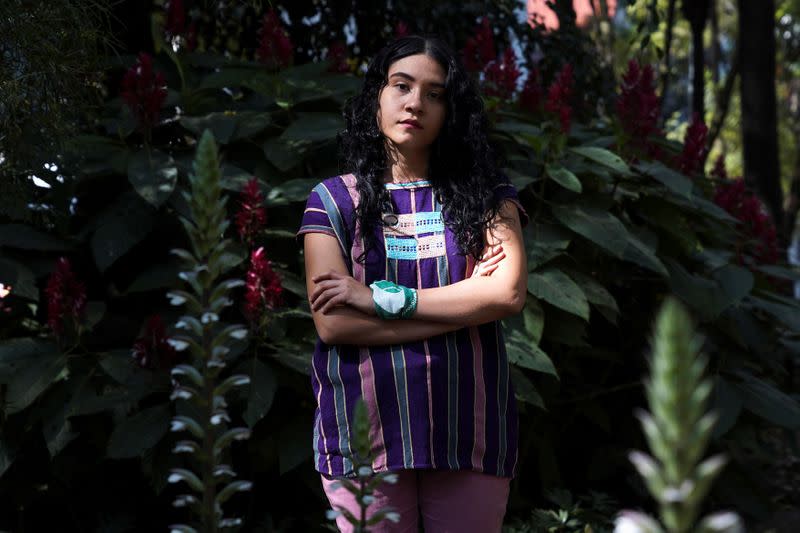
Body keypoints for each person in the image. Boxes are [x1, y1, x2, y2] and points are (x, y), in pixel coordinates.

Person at [295, 34, 530, 532]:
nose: (415, 103)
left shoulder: (486, 195)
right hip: (364, 435)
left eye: (435, 93)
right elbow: (334, 325)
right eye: (401, 85)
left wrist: (377, 297)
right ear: (376, 97)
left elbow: (505, 294)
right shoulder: (333, 201)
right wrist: (462, 307)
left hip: (468, 432)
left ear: (450, 109)